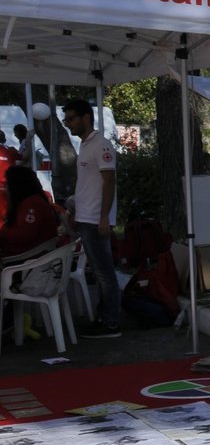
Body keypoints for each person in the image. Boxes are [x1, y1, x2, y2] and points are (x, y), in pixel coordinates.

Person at [61, 98, 121, 339]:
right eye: (66, 119)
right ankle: (105, 317)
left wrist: (104, 217)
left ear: (86, 117)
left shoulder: (101, 145)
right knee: (98, 272)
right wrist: (75, 209)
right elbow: (87, 184)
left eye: (71, 118)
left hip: (96, 219)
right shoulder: (85, 145)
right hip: (86, 217)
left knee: (105, 273)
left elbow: (109, 182)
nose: (68, 124)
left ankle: (111, 323)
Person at [0, 166, 63, 261]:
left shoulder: (33, 204)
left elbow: (25, 235)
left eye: (8, 184)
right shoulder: (31, 202)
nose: (6, 188)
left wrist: (2, 233)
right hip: (27, 256)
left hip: (27, 260)